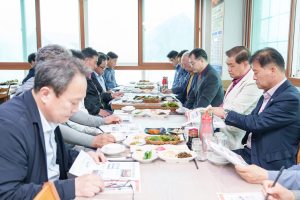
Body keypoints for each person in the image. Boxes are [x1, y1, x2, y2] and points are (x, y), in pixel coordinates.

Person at [0, 58, 108, 199]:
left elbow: (51, 153)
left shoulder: (47, 111)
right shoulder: (9, 126)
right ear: (45, 94)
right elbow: (8, 194)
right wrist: (71, 188)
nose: (76, 110)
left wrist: (80, 159)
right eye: (73, 103)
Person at [210, 47, 300, 170]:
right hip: (250, 153)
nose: (253, 77)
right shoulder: (268, 92)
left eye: (256, 73)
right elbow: (252, 118)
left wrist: (225, 113)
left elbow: (256, 123)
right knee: (210, 158)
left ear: (273, 70)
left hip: (268, 163)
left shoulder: (290, 98)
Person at [211, 46, 263, 150]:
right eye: (227, 65)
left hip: (234, 134)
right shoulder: (237, 79)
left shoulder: (252, 83)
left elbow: (233, 110)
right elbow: (225, 105)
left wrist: (210, 111)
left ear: (245, 64)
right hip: (222, 128)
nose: (228, 69)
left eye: (232, 66)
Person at [82, 48, 119, 117]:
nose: (95, 66)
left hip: (100, 109)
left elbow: (99, 95)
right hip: (93, 113)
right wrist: (98, 111)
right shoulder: (81, 78)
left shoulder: (91, 75)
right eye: (95, 62)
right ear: (86, 60)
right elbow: (84, 102)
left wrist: (112, 95)